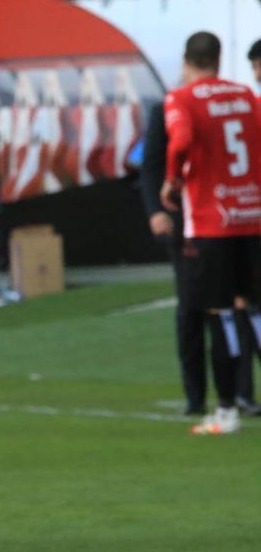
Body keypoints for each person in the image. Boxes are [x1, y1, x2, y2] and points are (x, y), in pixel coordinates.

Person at [161, 31, 261, 435]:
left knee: (219, 313)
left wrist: (172, 180)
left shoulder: (182, 99)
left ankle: (225, 411)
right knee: (255, 309)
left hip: (211, 221)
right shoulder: (247, 97)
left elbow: (181, 139)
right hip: (252, 215)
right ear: (219, 59)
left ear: (188, 61)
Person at [140, 101, 209, 416]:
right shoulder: (169, 109)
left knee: (227, 309)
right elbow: (152, 162)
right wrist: (156, 208)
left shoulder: (182, 106)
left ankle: (237, 394)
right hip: (192, 220)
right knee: (201, 307)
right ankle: (199, 396)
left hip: (215, 219)